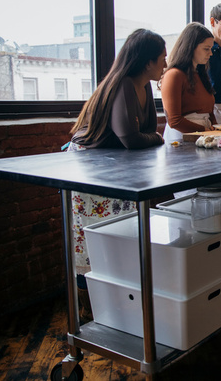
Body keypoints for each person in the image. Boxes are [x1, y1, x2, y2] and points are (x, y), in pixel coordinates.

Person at [68, 28, 167, 317]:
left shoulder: (144, 86)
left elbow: (145, 133)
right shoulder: (122, 84)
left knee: (121, 233)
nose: (165, 63)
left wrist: (152, 137)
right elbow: (133, 138)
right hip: (89, 169)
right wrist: (154, 138)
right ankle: (89, 309)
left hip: (113, 167)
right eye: (162, 57)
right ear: (147, 61)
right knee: (91, 239)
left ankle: (116, 302)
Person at [160, 22, 217, 142]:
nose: (210, 53)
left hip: (204, 136)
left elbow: (210, 113)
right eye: (206, 49)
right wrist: (205, 131)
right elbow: (174, 121)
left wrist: (216, 131)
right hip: (181, 138)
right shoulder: (174, 75)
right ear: (191, 47)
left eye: (211, 49)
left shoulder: (201, 75)